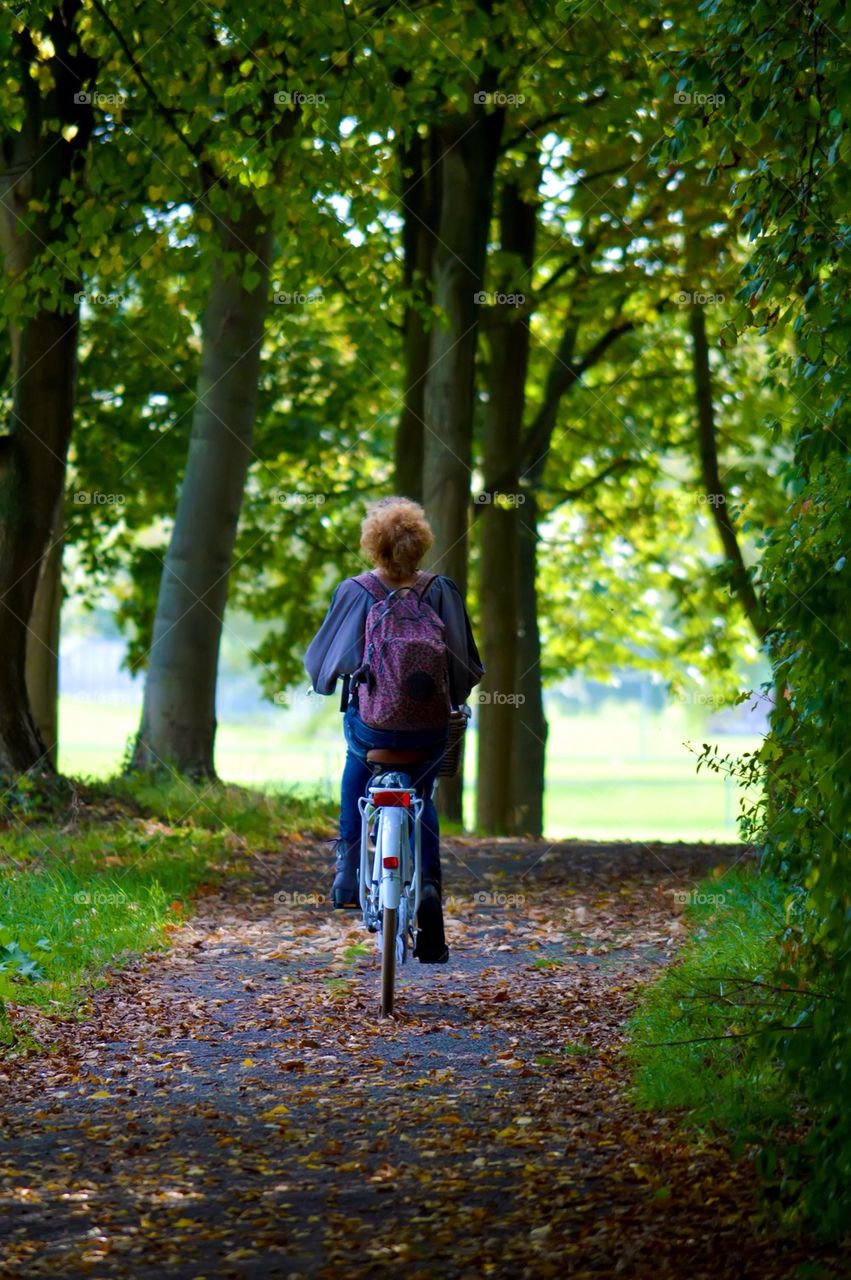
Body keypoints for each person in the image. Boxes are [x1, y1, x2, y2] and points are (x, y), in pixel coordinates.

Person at [305, 496, 483, 964]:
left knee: (354, 766)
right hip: (428, 732)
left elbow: (326, 660)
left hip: (372, 731)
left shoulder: (356, 591)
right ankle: (428, 897)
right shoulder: (442, 589)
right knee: (422, 797)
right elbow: (464, 664)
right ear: (421, 544)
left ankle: (346, 872)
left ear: (373, 544)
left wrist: (327, 682)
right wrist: (453, 698)